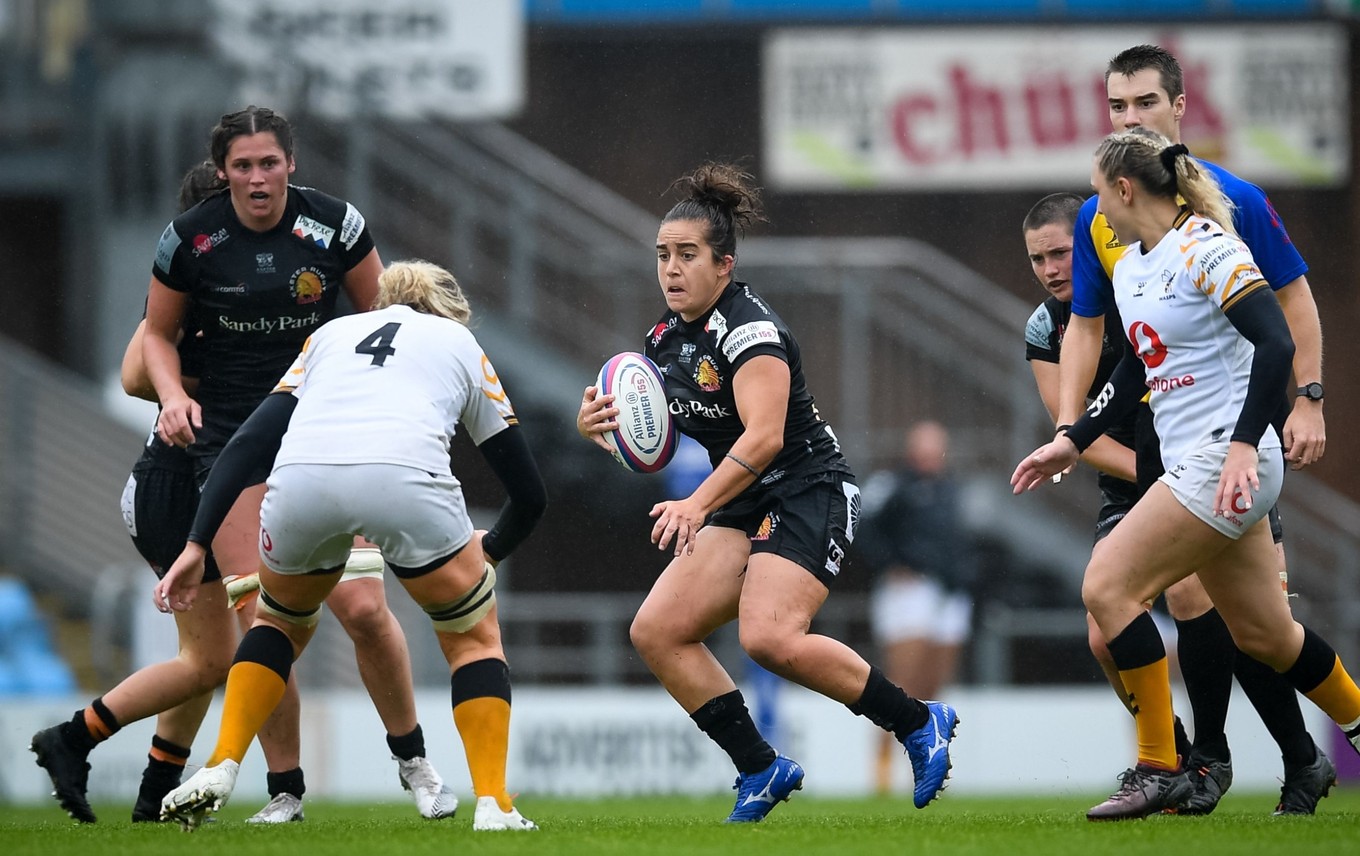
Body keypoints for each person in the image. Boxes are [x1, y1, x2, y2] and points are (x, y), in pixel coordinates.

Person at [30, 109, 450, 825]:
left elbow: (386, 320)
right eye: (243, 166)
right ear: (222, 174)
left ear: (292, 163)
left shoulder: (336, 228)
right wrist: (171, 396)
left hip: (325, 438)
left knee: (361, 608)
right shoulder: (190, 243)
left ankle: (412, 757)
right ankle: (284, 790)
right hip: (229, 449)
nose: (258, 178)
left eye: (270, 163)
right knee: (264, 622)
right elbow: (146, 352)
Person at [576, 163, 959, 821]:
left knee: (768, 638)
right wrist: (602, 431)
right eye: (663, 256)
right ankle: (760, 766)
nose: (671, 269)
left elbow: (763, 439)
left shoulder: (749, 329)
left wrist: (697, 503)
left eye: (688, 255)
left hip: (810, 489)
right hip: (747, 498)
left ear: (724, 264)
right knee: (658, 630)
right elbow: (661, 440)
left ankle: (918, 720)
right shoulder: (662, 341)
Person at [1012, 127, 1360, 821]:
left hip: (1223, 462)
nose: (1092, 212)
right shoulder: (1137, 264)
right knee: (1266, 635)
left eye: (1097, 193)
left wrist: (1240, 445)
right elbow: (1135, 366)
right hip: (1203, 464)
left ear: (1125, 188)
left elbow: (1276, 342)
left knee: (1107, 585)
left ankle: (1157, 767)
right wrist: (1073, 439)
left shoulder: (1208, 247)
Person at [153, 259, 546, 832]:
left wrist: (195, 543)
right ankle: (493, 803)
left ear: (378, 303)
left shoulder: (329, 335)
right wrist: (492, 550)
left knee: (278, 625)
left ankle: (221, 763)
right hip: (404, 479)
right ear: (446, 309)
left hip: (302, 480)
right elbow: (528, 491)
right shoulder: (457, 340)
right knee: (472, 640)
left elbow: (246, 444)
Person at [858, 420, 974, 795]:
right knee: (899, 684)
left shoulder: (950, 489)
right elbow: (864, 528)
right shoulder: (893, 485)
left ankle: (928, 767)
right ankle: (881, 772)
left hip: (948, 592)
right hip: (911, 590)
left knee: (935, 687)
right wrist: (891, 563)